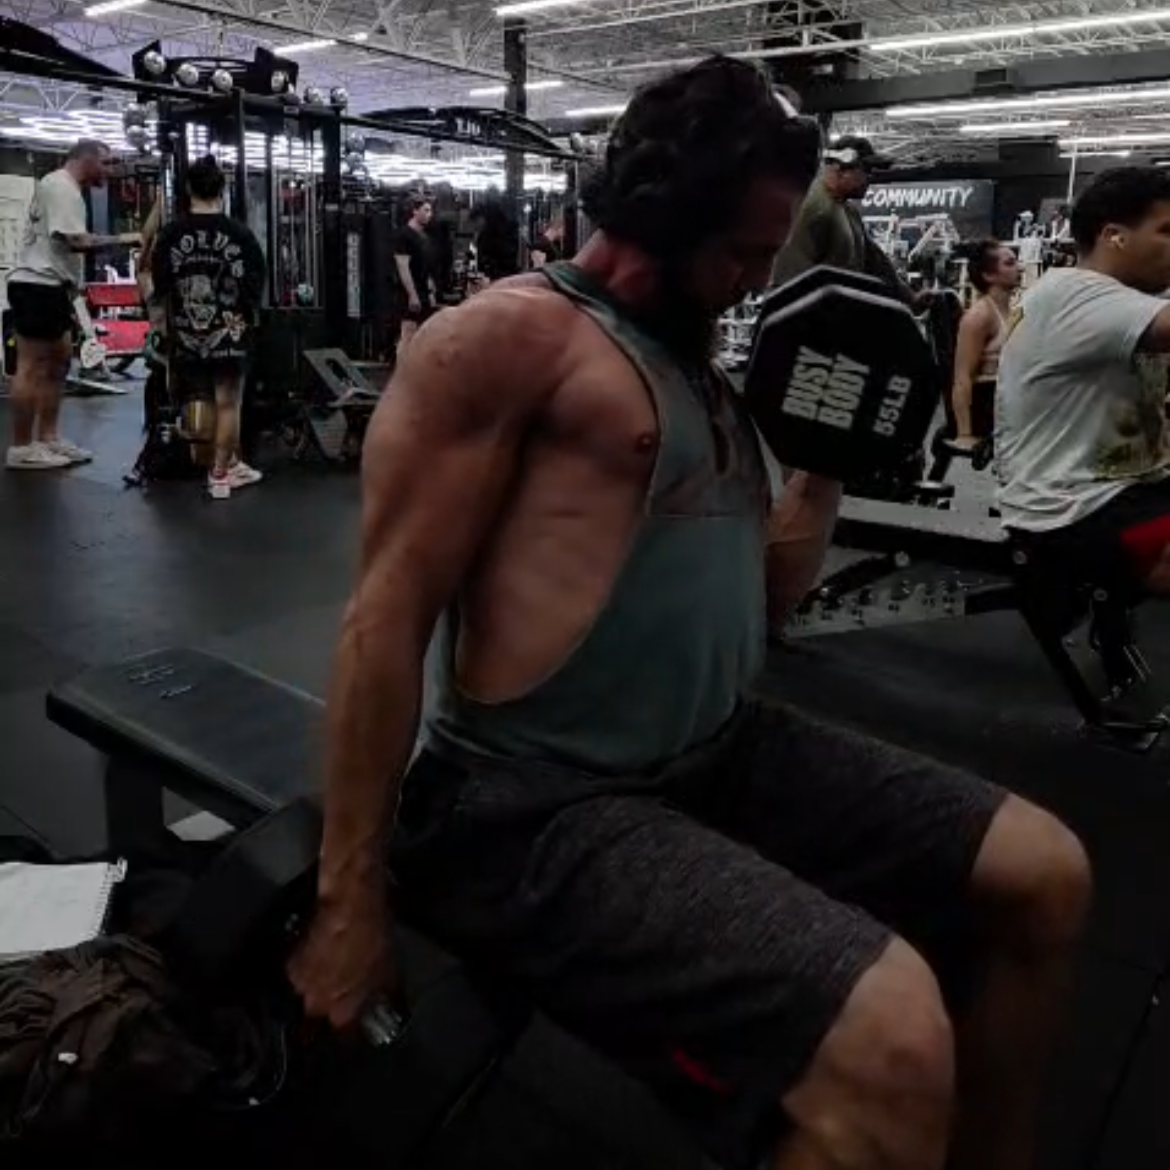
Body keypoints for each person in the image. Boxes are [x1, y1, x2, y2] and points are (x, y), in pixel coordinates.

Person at [291, 56, 1091, 1170]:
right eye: (741, 253)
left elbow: (764, 606)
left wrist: (821, 473)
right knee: (892, 1033)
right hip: (531, 808)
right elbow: (384, 620)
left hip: (717, 750)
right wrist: (347, 899)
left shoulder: (705, 372)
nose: (753, 281)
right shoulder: (507, 340)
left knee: (1044, 874)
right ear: (659, 214)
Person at [997, 165, 1170, 596]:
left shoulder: (1132, 302)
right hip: (1073, 512)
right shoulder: (1073, 290)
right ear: (1115, 235)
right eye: (1167, 230)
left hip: (1132, 491)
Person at [5, 139, 139, 471]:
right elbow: (76, 241)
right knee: (32, 366)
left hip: (53, 287)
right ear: (87, 159)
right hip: (37, 284)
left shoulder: (64, 187)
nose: (110, 171)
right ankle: (22, 447)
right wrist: (125, 239)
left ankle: (48, 438)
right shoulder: (61, 187)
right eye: (106, 163)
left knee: (60, 361)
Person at [150, 155, 266, 500]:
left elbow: (161, 284)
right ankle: (220, 475)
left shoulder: (171, 234)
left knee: (201, 400)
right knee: (229, 403)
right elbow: (254, 287)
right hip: (230, 334)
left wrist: (165, 326)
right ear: (222, 188)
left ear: (187, 189)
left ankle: (224, 465)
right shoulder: (240, 234)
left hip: (187, 336)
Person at [771, 135, 931, 310]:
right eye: (866, 169)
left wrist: (911, 298)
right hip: (811, 325)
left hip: (841, 321)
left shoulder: (848, 210)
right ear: (839, 169)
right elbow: (787, 281)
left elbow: (878, 264)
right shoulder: (811, 206)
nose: (870, 177)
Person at [949, 239, 1020, 450]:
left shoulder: (1015, 309)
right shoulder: (979, 317)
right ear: (989, 275)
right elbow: (962, 377)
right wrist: (964, 433)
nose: (1019, 267)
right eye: (1010, 263)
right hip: (990, 407)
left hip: (1011, 398)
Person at [393, 195, 438, 351]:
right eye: (425, 210)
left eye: (430, 211)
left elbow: (426, 266)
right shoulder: (404, 235)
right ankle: (403, 373)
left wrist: (430, 289)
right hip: (409, 292)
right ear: (415, 211)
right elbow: (403, 266)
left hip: (423, 290)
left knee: (422, 335)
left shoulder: (424, 237)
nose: (429, 214)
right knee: (408, 334)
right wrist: (412, 295)